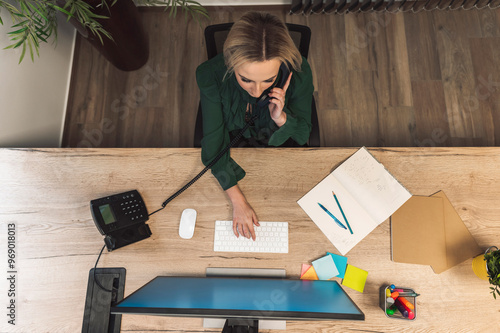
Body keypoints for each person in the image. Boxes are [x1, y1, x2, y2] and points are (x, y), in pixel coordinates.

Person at [196, 11, 314, 241]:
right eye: (246, 79)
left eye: (268, 80)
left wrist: (281, 118)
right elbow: (212, 146)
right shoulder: (210, 75)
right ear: (231, 63)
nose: (257, 91)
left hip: (276, 143)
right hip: (232, 141)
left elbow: (302, 135)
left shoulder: (298, 73)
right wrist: (238, 201)